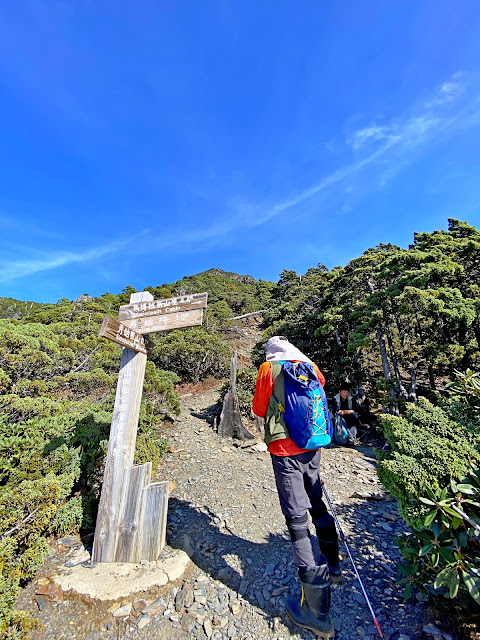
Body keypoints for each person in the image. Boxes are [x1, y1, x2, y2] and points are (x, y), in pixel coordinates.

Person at [252, 336, 340, 639]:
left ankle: (317, 614)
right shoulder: (310, 366)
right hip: (313, 444)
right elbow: (321, 389)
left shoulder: (269, 368)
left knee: (296, 519)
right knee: (317, 502)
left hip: (284, 449)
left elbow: (260, 409)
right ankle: (334, 567)